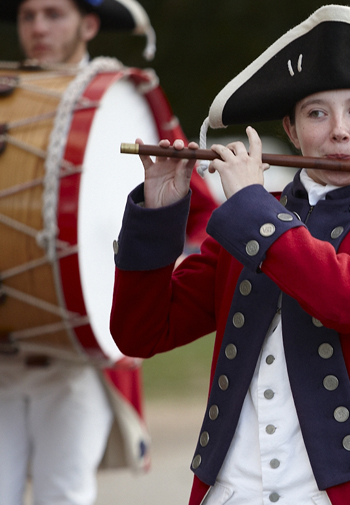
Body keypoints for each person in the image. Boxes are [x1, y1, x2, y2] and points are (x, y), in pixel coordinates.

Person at [110, 6, 350, 503]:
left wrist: (254, 209)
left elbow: (349, 298)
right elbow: (141, 331)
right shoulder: (254, 219)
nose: (339, 131)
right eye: (317, 113)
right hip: (233, 490)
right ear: (291, 130)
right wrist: (160, 210)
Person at [0, 1, 216, 503]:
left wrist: (166, 269)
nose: (37, 28)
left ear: (89, 24)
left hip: (79, 366)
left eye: (54, 14)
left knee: (65, 495)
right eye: (28, 16)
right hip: (4, 354)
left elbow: (203, 216)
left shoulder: (124, 100)